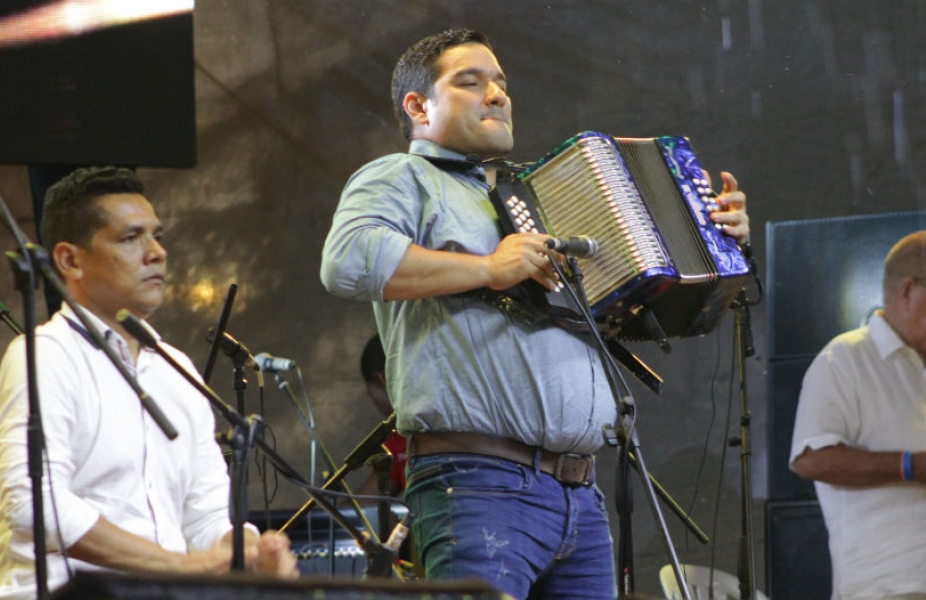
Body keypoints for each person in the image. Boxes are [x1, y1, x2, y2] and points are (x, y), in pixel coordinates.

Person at [320, 29, 749, 600]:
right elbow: (346, 262)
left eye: (501, 82)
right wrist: (489, 268)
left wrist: (715, 237)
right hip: (476, 484)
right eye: (470, 82)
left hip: (580, 492)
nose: (496, 94)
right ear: (418, 106)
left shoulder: (535, 195)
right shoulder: (400, 177)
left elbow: (649, 317)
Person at [0, 167, 299, 599]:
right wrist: (177, 567)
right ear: (69, 260)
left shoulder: (175, 367)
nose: (156, 252)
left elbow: (207, 514)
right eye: (130, 238)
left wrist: (248, 553)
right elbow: (33, 502)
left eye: (158, 236)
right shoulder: (44, 354)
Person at [790, 230, 926, 600]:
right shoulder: (845, 358)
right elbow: (810, 460)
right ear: (907, 291)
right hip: (889, 589)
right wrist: (908, 465)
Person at [357, 334, 406, 498]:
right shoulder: (397, 440)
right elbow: (366, 505)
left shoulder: (411, 432)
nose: (374, 402)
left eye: (371, 394)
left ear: (382, 380)